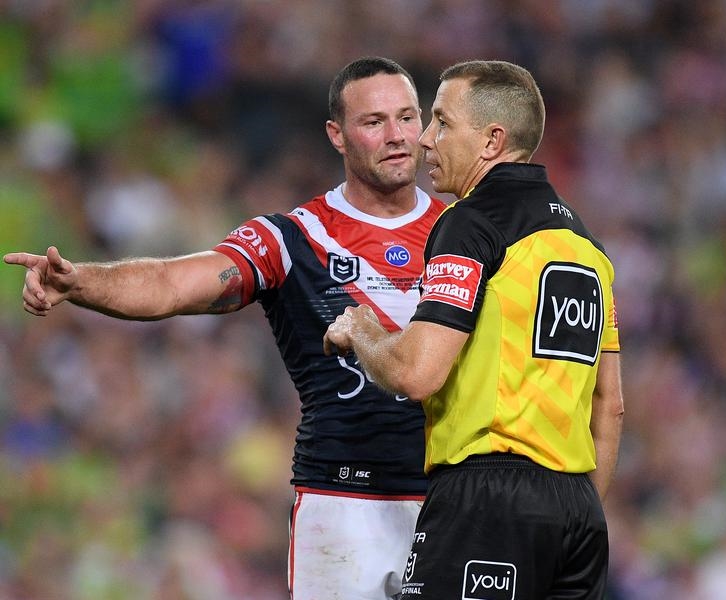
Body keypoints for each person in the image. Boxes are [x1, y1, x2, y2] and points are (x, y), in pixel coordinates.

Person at [4, 57, 446, 600]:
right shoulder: (293, 237)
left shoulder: (465, 235)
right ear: (337, 135)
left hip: (454, 496)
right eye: (374, 121)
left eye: (407, 117)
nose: (397, 135)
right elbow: (172, 284)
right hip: (343, 504)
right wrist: (81, 282)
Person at [323, 60, 624, 599]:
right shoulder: (589, 249)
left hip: (486, 499)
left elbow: (418, 374)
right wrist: (568, 517)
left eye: (442, 122)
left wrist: (362, 329)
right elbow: (611, 406)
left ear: (492, 141)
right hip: (579, 516)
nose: (425, 140)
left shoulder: (469, 221)